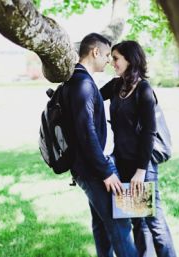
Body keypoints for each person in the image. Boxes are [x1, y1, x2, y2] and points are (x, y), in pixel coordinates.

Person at [100, 40, 177, 257]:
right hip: (122, 162)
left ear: (129, 60)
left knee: (154, 222)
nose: (111, 63)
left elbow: (149, 133)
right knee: (137, 219)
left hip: (143, 167)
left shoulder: (143, 89)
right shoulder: (116, 86)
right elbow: (93, 96)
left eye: (115, 58)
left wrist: (140, 172)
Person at [64, 33, 138, 257]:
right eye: (107, 55)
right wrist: (106, 171)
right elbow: (86, 134)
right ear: (95, 52)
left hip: (89, 168)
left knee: (102, 226)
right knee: (120, 225)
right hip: (97, 169)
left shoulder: (77, 80)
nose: (108, 60)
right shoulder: (83, 85)